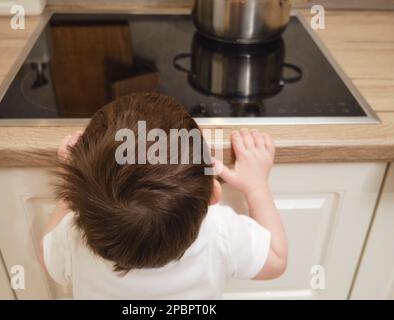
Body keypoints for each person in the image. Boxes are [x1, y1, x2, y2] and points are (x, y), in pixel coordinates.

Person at [40, 93, 288, 299]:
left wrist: (71, 184)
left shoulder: (72, 237)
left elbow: (46, 257)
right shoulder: (220, 231)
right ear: (214, 193)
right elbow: (276, 261)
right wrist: (257, 187)